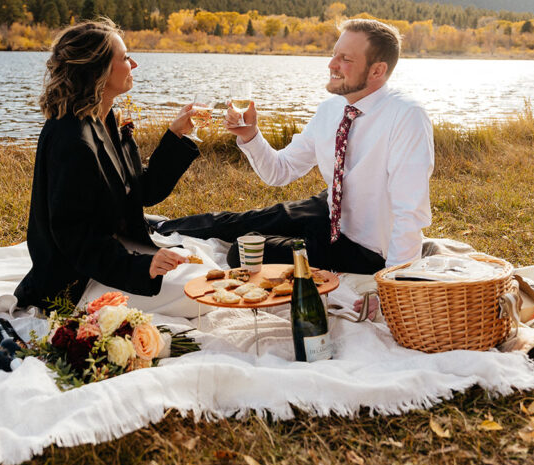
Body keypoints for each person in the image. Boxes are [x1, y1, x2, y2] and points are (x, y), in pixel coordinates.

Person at [157, 18, 434, 274]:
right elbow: (281, 170)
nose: (331, 64)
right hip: (328, 210)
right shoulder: (331, 109)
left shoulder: (406, 116)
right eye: (334, 54)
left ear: (377, 70)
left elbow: (409, 212)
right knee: (248, 220)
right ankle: (158, 227)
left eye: (345, 58)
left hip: (364, 246)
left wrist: (394, 284)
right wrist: (251, 135)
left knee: (243, 252)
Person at [14, 18, 200, 311]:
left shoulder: (105, 118)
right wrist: (144, 267)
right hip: (80, 279)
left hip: (117, 252)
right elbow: (74, 238)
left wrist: (175, 135)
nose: (134, 64)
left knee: (204, 268)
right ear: (98, 70)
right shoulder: (72, 140)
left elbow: (142, 192)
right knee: (201, 292)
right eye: (125, 58)